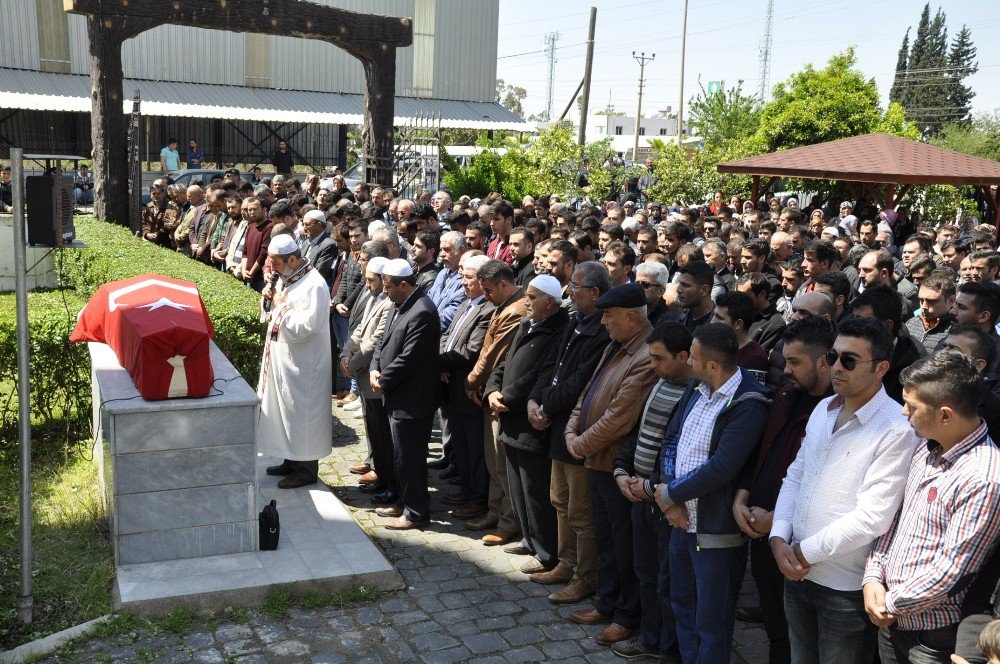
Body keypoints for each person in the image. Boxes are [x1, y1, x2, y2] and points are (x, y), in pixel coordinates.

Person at [770, 316, 918, 663]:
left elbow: (873, 517)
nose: (836, 367)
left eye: (849, 361)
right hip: (795, 570)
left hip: (843, 588)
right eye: (833, 357)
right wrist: (778, 537)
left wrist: (802, 553)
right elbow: (796, 475)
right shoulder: (823, 407)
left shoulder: (897, 428)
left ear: (882, 367)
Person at [862, 350, 1000, 664]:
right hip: (891, 619)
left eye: (912, 406)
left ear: (946, 415)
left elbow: (953, 571)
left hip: (931, 638)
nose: (903, 412)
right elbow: (893, 522)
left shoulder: (985, 477)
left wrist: (891, 602)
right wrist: (873, 577)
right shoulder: (926, 449)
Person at [655, 323, 770, 664]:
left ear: (713, 365)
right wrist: (669, 497)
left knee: (712, 621)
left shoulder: (749, 404)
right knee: (683, 606)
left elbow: (722, 468)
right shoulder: (697, 386)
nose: (688, 362)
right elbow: (671, 440)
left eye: (693, 357)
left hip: (714, 532)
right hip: (680, 520)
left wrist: (670, 494)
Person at [734, 316, 836, 664]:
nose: (786, 370)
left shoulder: (837, 412)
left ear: (823, 361)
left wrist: (778, 520)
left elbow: (828, 486)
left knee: (801, 639)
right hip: (760, 531)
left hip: (798, 544)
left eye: (794, 362)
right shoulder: (787, 394)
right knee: (775, 628)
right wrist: (742, 494)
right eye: (784, 360)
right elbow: (762, 449)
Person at [565, 282, 658, 648]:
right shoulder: (617, 346)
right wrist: (574, 431)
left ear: (632, 317)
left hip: (616, 465)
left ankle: (626, 614)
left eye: (609, 316)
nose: (603, 322)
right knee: (606, 538)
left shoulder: (647, 355)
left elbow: (620, 417)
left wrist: (580, 445)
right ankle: (607, 603)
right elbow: (587, 394)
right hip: (595, 460)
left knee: (625, 545)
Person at [527, 261, 612, 603]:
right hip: (556, 424)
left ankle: (584, 576)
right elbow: (552, 366)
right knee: (559, 500)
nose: (569, 291)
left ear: (595, 292)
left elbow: (581, 381)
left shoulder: (602, 331)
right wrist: (535, 399)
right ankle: (566, 562)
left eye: (576, 286)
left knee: (580, 510)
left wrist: (546, 407)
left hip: (577, 428)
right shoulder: (574, 321)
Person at [610, 321, 693, 662]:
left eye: (659, 359)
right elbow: (637, 432)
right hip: (638, 494)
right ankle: (649, 639)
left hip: (664, 500)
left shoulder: (694, 395)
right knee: (644, 573)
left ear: (684, 356)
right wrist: (620, 470)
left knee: (666, 580)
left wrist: (650, 485)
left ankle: (667, 648)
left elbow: (679, 453)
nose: (653, 365)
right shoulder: (658, 384)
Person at [485, 275, 569, 575]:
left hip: (528, 422)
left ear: (550, 301)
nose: (526, 301)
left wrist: (505, 397)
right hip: (509, 416)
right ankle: (529, 538)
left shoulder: (559, 329)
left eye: (532, 297)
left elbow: (538, 375)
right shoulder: (526, 323)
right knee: (517, 487)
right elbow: (505, 364)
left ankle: (546, 552)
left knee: (535, 491)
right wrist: (491, 390)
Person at [370, 258, 441, 530]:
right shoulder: (398, 303)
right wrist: (375, 369)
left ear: (403, 284)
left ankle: (416, 513)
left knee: (410, 458)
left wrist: (383, 380)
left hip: (412, 400)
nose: (383, 291)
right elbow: (383, 342)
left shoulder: (422, 311)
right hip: (395, 394)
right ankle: (402, 501)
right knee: (399, 455)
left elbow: (409, 358)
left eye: (388, 286)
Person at [257, 234, 333, 489]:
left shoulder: (314, 285)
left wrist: (280, 307)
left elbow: (307, 326)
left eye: (276, 263)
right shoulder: (289, 276)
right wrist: (269, 298)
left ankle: (306, 468)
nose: (273, 268)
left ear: (292, 259)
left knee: (302, 415)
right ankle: (290, 459)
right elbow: (274, 310)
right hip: (285, 359)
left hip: (305, 364)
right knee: (285, 411)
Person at [464, 260, 529, 544]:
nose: (485, 296)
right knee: (493, 461)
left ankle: (508, 521)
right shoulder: (503, 305)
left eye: (489, 291)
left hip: (500, 394)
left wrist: (472, 382)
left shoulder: (515, 311)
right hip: (489, 390)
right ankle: (494, 511)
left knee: (501, 463)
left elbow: (493, 354)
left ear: (504, 284)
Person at [439, 254, 495, 520]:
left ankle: (477, 498)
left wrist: (439, 362)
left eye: (469, 277)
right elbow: (447, 336)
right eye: (462, 276)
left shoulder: (487, 310)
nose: (463, 282)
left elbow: (471, 351)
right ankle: (465, 487)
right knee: (460, 445)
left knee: (475, 449)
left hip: (467, 388)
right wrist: (441, 362)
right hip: (451, 385)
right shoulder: (466, 304)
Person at [340, 256, 396, 505]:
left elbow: (376, 341)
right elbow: (360, 330)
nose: (367, 283)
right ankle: (380, 475)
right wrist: (345, 353)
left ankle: (386, 478)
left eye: (372, 280)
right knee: (372, 429)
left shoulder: (388, 303)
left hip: (374, 377)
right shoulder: (373, 297)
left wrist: (352, 365)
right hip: (362, 373)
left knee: (382, 434)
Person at [904, 271, 956, 356]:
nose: (923, 306)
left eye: (931, 301)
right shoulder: (911, 323)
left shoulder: (955, 332)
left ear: (951, 300)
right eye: (921, 300)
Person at [427, 231, 468, 332]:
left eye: (446, 250)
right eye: (441, 250)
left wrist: (424, 327)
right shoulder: (442, 273)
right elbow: (428, 299)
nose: (441, 254)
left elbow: (450, 316)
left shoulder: (466, 279)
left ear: (462, 250)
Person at [299, 209, 338, 287]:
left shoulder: (328, 245)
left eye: (307, 224)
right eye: (303, 224)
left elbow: (319, 273)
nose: (304, 228)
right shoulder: (305, 242)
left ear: (319, 226)